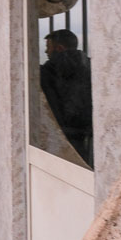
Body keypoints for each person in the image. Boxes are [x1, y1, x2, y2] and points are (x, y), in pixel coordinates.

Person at [41, 29, 93, 166]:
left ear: (59, 48)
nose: (46, 52)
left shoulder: (47, 72)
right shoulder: (92, 67)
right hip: (86, 133)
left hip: (58, 133)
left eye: (48, 47)